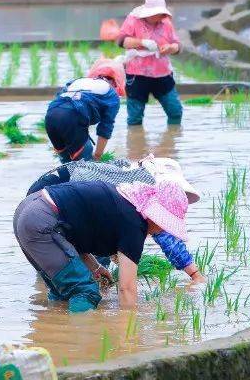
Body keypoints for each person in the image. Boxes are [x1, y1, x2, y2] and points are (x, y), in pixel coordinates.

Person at [13, 179, 188, 312]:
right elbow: (127, 289)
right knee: (85, 291)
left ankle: (58, 337)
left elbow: (75, 235)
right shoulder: (135, 225)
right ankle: (82, 348)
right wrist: (130, 330)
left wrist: (96, 267)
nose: (163, 229)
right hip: (41, 221)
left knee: (63, 292)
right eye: (166, 223)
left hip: (28, 210)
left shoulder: (126, 202)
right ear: (157, 215)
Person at [27, 156, 206, 283]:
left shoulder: (134, 176)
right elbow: (166, 237)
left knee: (84, 263)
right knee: (82, 269)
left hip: (48, 203)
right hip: (49, 201)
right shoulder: (145, 190)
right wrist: (195, 275)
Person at [117, 0, 183, 127]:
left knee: (175, 112)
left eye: (160, 13)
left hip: (162, 74)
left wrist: (170, 48)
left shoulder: (166, 23)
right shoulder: (133, 20)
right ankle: (136, 146)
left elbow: (177, 45)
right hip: (137, 75)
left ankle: (172, 141)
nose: (158, 16)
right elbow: (122, 41)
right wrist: (142, 42)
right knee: (135, 117)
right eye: (155, 13)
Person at [44, 59, 124, 162]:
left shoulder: (77, 81)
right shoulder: (111, 94)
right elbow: (105, 128)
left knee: (66, 162)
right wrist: (97, 156)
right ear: (115, 82)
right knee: (85, 165)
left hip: (51, 116)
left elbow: (61, 99)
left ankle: (65, 177)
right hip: (72, 117)